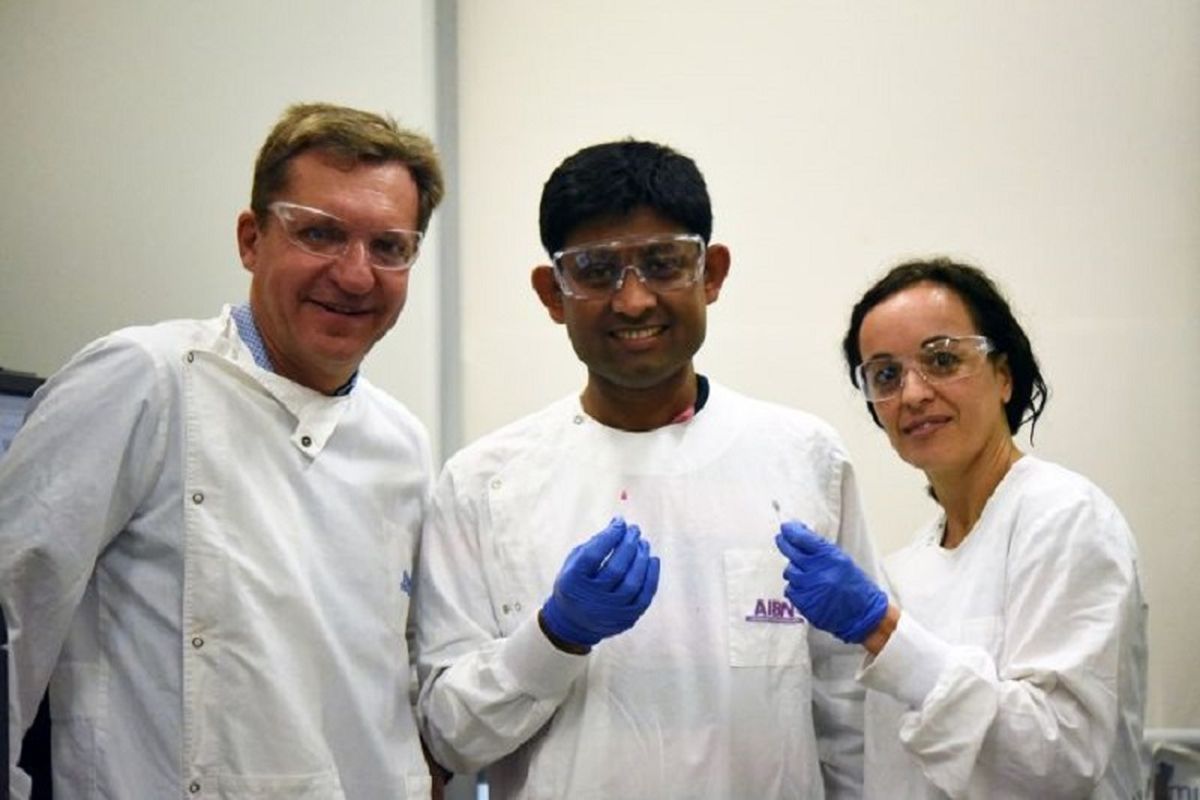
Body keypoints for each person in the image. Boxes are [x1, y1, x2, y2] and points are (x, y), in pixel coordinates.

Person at [0, 102, 446, 798]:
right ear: (251, 239)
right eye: (321, 234)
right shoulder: (143, 379)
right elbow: (12, 614)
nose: (356, 275)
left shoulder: (403, 442)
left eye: (389, 247)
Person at [414, 139, 877, 798]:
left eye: (663, 264)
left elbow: (850, 716)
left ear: (711, 273)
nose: (632, 302)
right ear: (553, 291)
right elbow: (449, 737)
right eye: (597, 270)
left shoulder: (804, 457)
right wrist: (553, 639)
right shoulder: (483, 484)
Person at [775, 257, 1148, 798]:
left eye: (943, 359)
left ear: (1004, 375)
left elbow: (1060, 759)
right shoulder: (907, 569)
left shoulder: (1064, 516)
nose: (914, 394)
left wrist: (882, 630)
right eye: (885, 375)